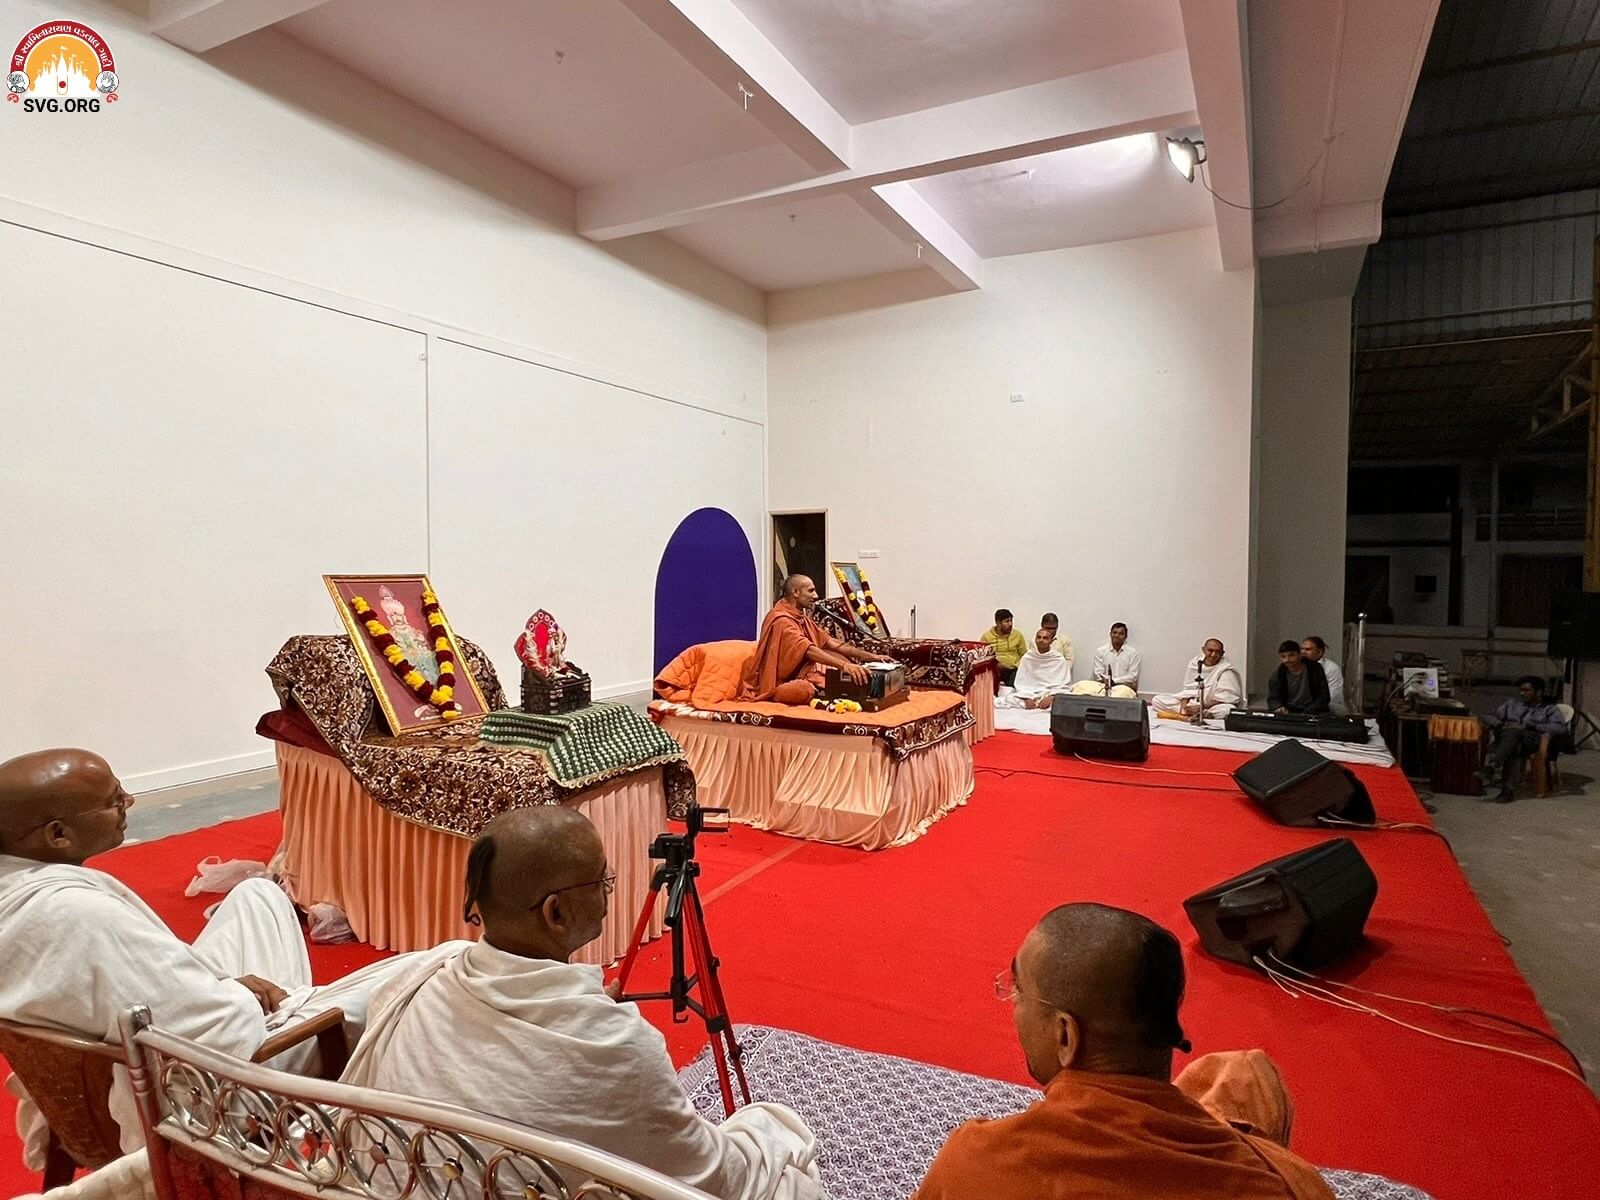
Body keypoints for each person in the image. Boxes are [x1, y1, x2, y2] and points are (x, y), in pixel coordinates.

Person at [0, 749, 465, 1170]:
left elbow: (153, 992)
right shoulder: (75, 917)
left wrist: (221, 983)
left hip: (149, 1039)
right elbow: (218, 1031)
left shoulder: (20, 891)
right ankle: (316, 1023)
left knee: (257, 895)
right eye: (114, 800)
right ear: (57, 834)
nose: (131, 803)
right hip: (211, 1084)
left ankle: (298, 1000)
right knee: (444, 962)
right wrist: (239, 993)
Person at [341, 807, 822, 1200]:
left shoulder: (427, 977)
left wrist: (583, 1006)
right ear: (556, 912)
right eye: (601, 881)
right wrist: (773, 1128)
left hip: (405, 1178)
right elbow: (714, 1176)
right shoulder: (615, 1046)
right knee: (791, 1179)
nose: (609, 892)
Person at [912, 904, 1333, 1200]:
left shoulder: (976, 1164)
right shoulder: (1284, 1183)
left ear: (1065, 1036)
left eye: (1019, 990)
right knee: (1242, 1072)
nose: (1012, 1002)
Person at [742, 574, 884, 705]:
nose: (816, 596)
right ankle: (779, 695)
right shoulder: (781, 620)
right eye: (811, 591)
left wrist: (869, 656)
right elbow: (808, 650)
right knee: (804, 689)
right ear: (796, 592)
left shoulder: (800, 617)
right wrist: (844, 666)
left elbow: (830, 642)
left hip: (803, 673)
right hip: (779, 682)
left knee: (838, 659)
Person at [1477, 676, 1568, 803]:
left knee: (1514, 735)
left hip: (1532, 741)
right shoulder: (1512, 704)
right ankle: (1506, 791)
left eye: (1526, 690)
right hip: (1510, 741)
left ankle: (1493, 767)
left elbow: (1560, 728)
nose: (1521, 693)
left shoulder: (1549, 708)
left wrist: (1531, 726)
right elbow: (1486, 716)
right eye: (1520, 690)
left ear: (1538, 692)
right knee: (1513, 742)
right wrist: (1500, 724)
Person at [1150, 639, 1244, 719]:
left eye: (1217, 652)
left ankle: (1202, 714)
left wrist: (1202, 707)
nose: (1213, 654)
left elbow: (1227, 698)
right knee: (1157, 700)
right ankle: (1192, 714)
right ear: (1203, 650)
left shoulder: (1226, 669)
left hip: (1211, 706)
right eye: (1210, 650)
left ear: (1222, 653)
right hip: (1192, 704)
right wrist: (1184, 707)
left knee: (1227, 710)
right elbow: (1188, 690)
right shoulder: (1195, 664)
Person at [997, 628, 1074, 710]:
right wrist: (1026, 698)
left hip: (1050, 693)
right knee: (1010, 699)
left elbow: (1064, 685)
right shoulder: (1028, 657)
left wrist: (1051, 697)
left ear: (1051, 641)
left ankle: (1043, 704)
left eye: (1045, 638)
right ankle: (1034, 704)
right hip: (1030, 694)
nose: (1041, 640)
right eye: (1039, 637)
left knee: (1067, 701)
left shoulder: (1059, 660)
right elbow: (1021, 683)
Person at [1266, 641, 1329, 715]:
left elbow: (1324, 696)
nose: (1287, 660)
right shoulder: (1277, 675)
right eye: (1283, 656)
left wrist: (1310, 711)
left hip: (1314, 712)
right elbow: (1273, 699)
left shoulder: (1315, 669)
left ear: (1300, 654)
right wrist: (1278, 707)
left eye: (1291, 655)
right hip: (1289, 713)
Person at [1299, 637, 1347, 716]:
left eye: (1307, 649)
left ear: (1319, 652)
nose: (1303, 652)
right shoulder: (1299, 667)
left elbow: (1332, 697)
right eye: (1302, 649)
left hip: (1329, 710)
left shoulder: (1332, 668)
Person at [1089, 623, 1141, 692]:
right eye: (1114, 633)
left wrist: (1114, 681)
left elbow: (1133, 676)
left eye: (1121, 634)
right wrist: (1109, 681)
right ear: (1110, 634)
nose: (1117, 635)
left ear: (1125, 636)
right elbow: (1097, 674)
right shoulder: (1100, 651)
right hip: (1104, 688)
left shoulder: (1132, 653)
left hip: (1124, 689)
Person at [981, 609, 1027, 687]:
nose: (1010, 624)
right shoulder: (987, 636)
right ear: (998, 623)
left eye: (1011, 621)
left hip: (1013, 670)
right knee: (988, 686)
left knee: (1016, 686)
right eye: (1007, 621)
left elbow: (1024, 654)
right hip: (994, 670)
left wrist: (1017, 665)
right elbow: (982, 657)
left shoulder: (1017, 635)